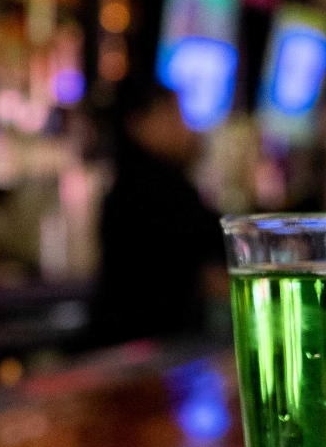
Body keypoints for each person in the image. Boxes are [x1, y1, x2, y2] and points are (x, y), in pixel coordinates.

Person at [93, 77, 229, 344]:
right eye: (173, 116)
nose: (185, 129)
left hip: (126, 346)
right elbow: (219, 250)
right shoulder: (158, 190)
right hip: (147, 350)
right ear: (136, 123)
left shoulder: (125, 189)